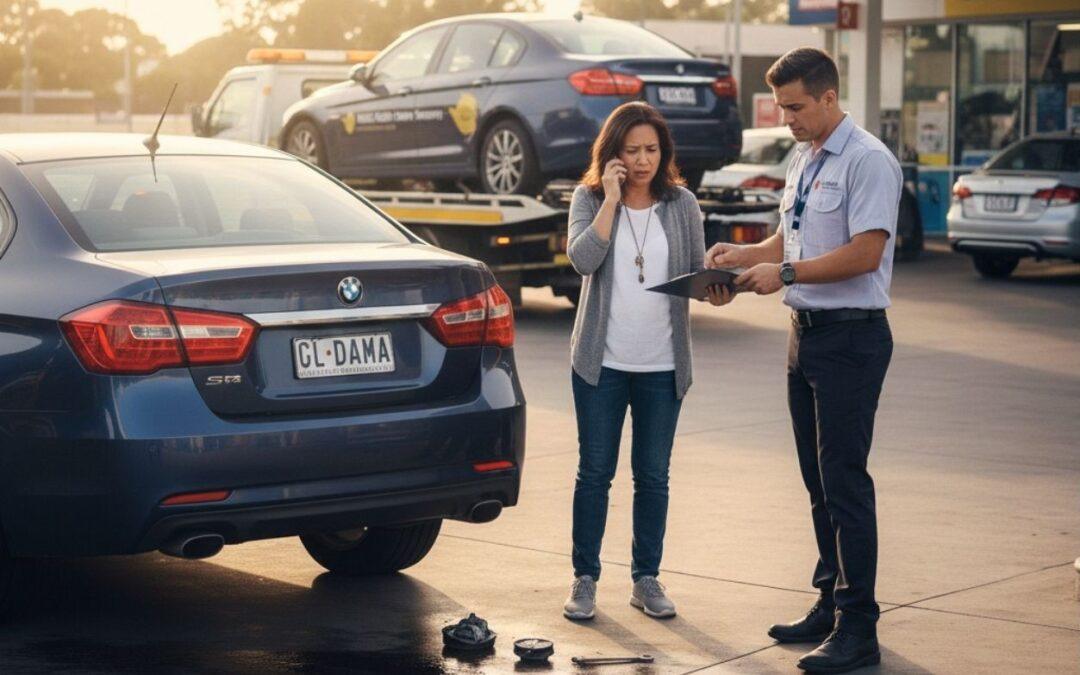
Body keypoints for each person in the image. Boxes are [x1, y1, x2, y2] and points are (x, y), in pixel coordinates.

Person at [707, 47, 900, 674]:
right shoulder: (805, 156)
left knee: (845, 483)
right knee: (817, 484)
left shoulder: (869, 160)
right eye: (781, 107)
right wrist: (744, 255)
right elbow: (790, 237)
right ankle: (829, 601)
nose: (786, 118)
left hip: (851, 340)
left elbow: (866, 252)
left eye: (794, 107)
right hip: (806, 335)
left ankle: (858, 627)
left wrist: (784, 271)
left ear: (827, 97)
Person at [561, 101, 707, 621]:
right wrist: (612, 200)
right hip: (602, 364)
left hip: (663, 364)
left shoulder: (683, 204)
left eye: (651, 150)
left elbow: (696, 274)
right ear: (613, 155)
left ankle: (646, 578)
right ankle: (585, 579)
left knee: (653, 476)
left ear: (663, 152)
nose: (643, 160)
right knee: (594, 473)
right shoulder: (588, 197)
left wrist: (718, 286)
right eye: (632, 151)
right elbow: (582, 259)